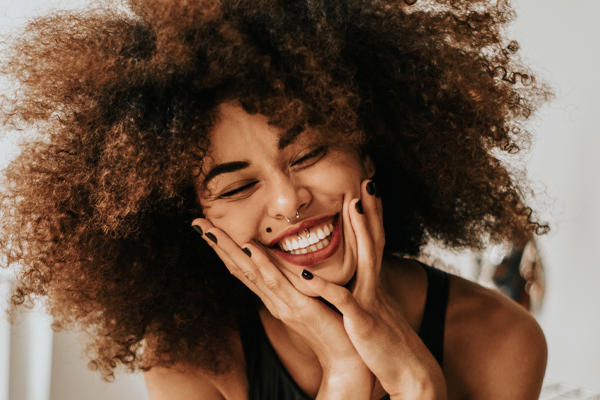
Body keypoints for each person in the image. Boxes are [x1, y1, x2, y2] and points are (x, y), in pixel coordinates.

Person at [0, 0, 551, 399]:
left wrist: (419, 384)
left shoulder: (501, 339)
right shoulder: (190, 360)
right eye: (237, 187)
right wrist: (343, 371)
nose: (289, 202)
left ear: (369, 152)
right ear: (197, 222)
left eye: (309, 153)